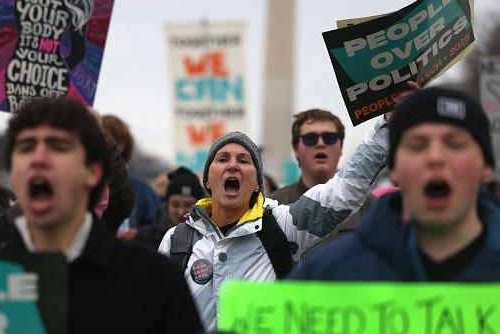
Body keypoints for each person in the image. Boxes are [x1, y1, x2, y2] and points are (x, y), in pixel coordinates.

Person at [159, 111, 391, 331]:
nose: (233, 165)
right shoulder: (176, 241)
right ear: (208, 180)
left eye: (244, 160)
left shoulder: (283, 225)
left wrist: (387, 125)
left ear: (257, 184)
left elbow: (343, 191)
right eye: (222, 159)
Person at [3, 97, 202, 333]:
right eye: (26, 147)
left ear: (94, 172)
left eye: (58, 146)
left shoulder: (154, 280)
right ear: (12, 172)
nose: (38, 158)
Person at [288, 87, 500, 281]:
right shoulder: (325, 275)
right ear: (395, 169)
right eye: (417, 145)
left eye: (454, 144)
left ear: (487, 165)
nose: (435, 157)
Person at [100, 114, 162, 238]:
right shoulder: (86, 185)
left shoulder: (143, 191)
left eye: (106, 139)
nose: (99, 145)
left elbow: (157, 232)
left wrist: (139, 237)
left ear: (121, 145)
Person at [269, 109, 345, 204]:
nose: (320, 143)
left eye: (329, 138)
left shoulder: (365, 205)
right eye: (310, 138)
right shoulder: (272, 206)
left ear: (341, 146)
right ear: (296, 149)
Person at [134, 166, 204, 248]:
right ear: (166, 206)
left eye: (188, 205)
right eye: (175, 205)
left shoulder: (206, 241)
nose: (180, 212)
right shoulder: (147, 239)